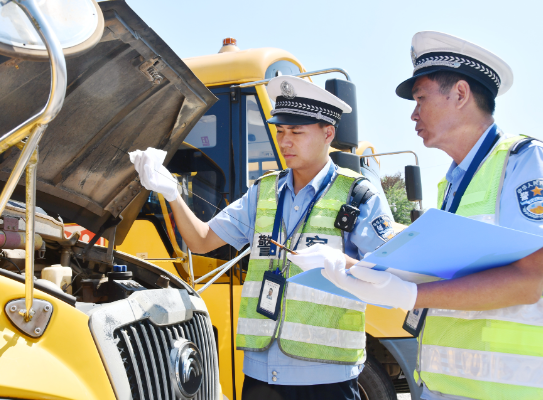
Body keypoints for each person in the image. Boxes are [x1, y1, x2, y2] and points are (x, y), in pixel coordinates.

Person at [130, 75, 396, 400]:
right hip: (260, 375)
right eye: (280, 131)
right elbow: (200, 241)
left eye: (296, 132)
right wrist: (171, 193)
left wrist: (342, 264)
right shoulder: (262, 193)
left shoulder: (358, 196)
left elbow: (389, 281)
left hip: (326, 378)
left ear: (328, 134)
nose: (285, 142)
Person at [322, 31, 543, 400]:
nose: (413, 113)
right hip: (443, 388)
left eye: (420, 98)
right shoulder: (452, 183)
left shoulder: (523, 164)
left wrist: (411, 294)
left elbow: (533, 279)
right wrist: (355, 267)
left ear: (459, 94)